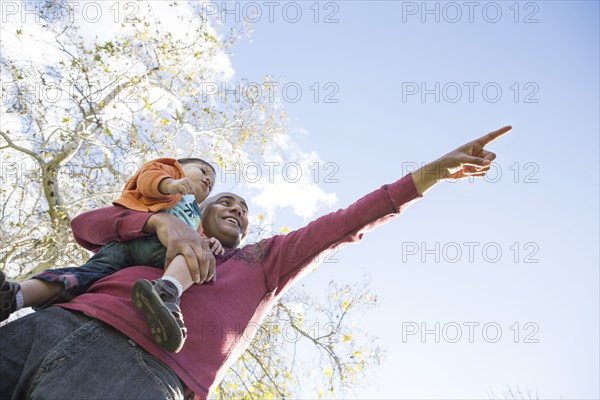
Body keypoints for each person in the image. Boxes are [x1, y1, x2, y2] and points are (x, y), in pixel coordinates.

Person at [0, 126, 511, 400]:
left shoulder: (263, 262)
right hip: (51, 325)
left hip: (139, 373)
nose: (235, 209)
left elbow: (348, 220)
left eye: (244, 211)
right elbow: (88, 226)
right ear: (200, 210)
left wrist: (432, 173)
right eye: (224, 201)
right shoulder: (163, 231)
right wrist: (159, 224)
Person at [0, 157, 223, 353]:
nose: (207, 180)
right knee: (81, 275)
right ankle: (15, 296)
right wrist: (171, 183)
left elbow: (199, 241)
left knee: (193, 252)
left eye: (210, 183)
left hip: (162, 250)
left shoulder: (197, 218)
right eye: (203, 171)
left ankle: (166, 291)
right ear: (179, 165)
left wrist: (210, 242)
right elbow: (149, 179)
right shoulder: (169, 172)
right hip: (128, 239)